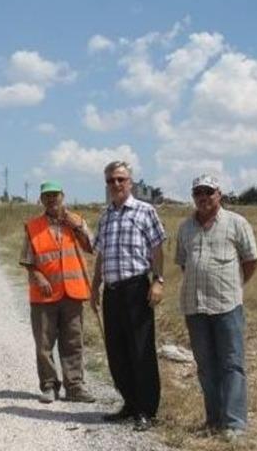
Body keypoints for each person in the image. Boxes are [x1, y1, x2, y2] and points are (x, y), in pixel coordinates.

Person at [175, 175, 257, 442]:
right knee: (205, 366)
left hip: (227, 305)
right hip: (194, 306)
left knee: (232, 365)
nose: (203, 197)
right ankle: (213, 420)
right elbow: (184, 264)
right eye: (198, 192)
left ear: (219, 195)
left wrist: (233, 285)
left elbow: (250, 260)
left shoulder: (236, 223)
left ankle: (235, 423)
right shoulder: (185, 227)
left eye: (208, 192)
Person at [91, 161, 166, 432]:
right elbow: (100, 253)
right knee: (117, 352)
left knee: (140, 350)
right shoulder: (105, 215)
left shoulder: (145, 211)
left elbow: (157, 248)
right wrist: (95, 285)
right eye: (111, 180)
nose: (116, 185)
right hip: (112, 292)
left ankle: (147, 410)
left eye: (121, 179)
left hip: (136, 289)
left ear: (130, 182)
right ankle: (130, 404)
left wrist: (158, 280)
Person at [19, 180, 97, 404]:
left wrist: (78, 227)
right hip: (44, 295)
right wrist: (38, 276)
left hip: (73, 292)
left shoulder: (76, 221)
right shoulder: (33, 226)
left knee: (73, 342)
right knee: (44, 344)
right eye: (47, 196)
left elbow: (92, 247)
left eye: (55, 195)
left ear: (63, 196)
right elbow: (27, 260)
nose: (52, 199)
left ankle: (74, 386)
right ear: (41, 200)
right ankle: (49, 386)